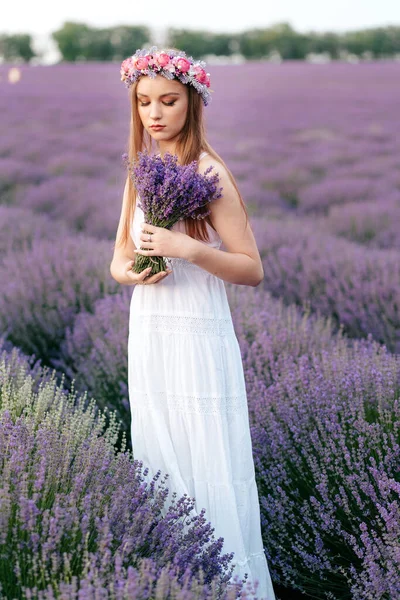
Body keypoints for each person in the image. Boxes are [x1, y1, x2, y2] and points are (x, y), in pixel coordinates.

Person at [110, 46, 276, 600]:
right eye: (143, 102)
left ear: (193, 101)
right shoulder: (141, 167)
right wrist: (134, 273)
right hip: (152, 331)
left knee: (203, 455)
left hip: (197, 333)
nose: (154, 114)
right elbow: (117, 258)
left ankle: (226, 586)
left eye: (168, 101)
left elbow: (251, 269)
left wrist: (187, 248)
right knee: (159, 453)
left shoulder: (210, 171)